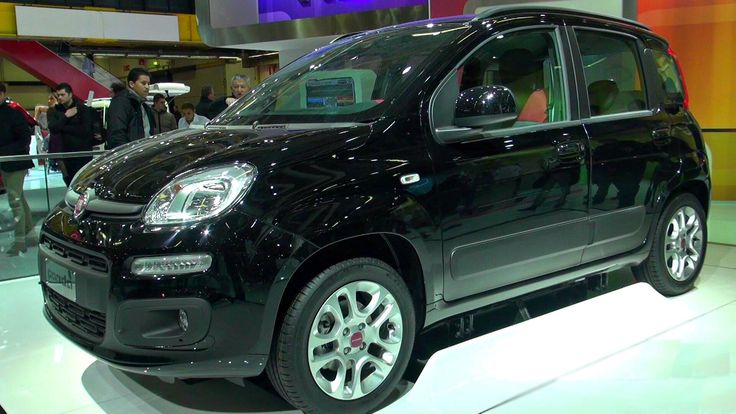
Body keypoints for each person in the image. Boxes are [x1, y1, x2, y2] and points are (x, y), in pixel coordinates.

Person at [0, 82, 34, 256]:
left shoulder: (14, 113)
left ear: (3, 93)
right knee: (19, 197)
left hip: (16, 163)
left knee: (15, 200)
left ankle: (20, 240)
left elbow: (25, 139)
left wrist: (4, 152)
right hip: (6, 163)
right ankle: (30, 234)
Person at [48, 83, 94, 186]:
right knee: (69, 183)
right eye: (58, 95)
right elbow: (53, 128)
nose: (60, 97)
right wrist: (66, 116)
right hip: (65, 155)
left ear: (70, 94)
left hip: (83, 153)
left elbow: (85, 130)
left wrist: (63, 128)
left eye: (62, 95)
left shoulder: (82, 109)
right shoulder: (56, 110)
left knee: (85, 183)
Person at [106, 67, 155, 149]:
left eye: (148, 84)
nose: (147, 87)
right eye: (143, 83)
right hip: (130, 156)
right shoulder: (121, 102)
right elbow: (117, 134)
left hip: (143, 153)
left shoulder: (143, 106)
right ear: (132, 84)